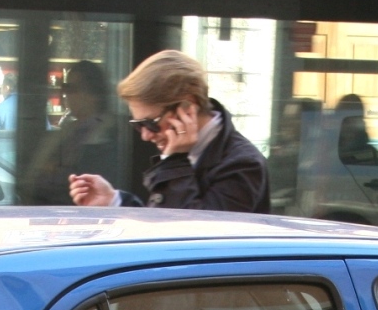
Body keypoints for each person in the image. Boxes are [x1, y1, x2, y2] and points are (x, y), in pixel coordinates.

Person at [68, 50, 269, 212]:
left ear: (187, 108)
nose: (146, 135)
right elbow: (161, 225)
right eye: (138, 125)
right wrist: (114, 201)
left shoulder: (242, 164)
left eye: (151, 123)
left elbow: (192, 239)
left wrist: (175, 163)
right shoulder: (182, 153)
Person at [23, 61, 117, 204]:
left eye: (72, 88)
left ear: (94, 93)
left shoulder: (112, 134)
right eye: (65, 87)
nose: (65, 94)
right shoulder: (63, 133)